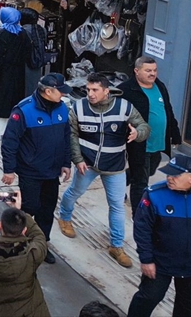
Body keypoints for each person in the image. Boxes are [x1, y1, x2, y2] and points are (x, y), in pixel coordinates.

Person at [58, 73, 150, 268]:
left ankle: (116, 245)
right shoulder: (79, 107)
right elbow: (71, 134)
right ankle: (64, 217)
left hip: (115, 166)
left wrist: (138, 133)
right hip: (88, 163)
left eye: (95, 90)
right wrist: (78, 159)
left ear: (106, 91)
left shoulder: (124, 107)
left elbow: (143, 126)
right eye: (88, 90)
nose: (90, 94)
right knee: (75, 191)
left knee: (116, 205)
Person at [128, 155, 191, 317]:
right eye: (168, 174)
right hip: (161, 262)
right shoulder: (155, 195)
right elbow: (142, 229)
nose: (169, 178)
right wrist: (146, 259)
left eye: (175, 175)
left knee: (189, 305)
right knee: (147, 299)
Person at [0, 73, 73, 265]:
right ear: (48, 91)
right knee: (29, 207)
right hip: (30, 171)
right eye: (60, 91)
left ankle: (42, 244)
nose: (64, 95)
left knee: (46, 210)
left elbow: (67, 138)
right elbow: (9, 141)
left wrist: (66, 163)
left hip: (52, 171)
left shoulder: (63, 109)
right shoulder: (23, 111)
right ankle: (16, 239)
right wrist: (9, 169)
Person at [119, 56, 182, 205]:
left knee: (150, 170)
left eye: (154, 70)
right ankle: (138, 213)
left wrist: (175, 133)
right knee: (140, 182)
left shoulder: (160, 86)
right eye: (148, 70)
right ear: (136, 71)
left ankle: (118, 184)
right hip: (139, 144)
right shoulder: (126, 90)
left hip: (157, 142)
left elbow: (168, 110)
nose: (152, 74)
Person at [0, 7, 30, 138]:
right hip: (18, 74)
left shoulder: (2, 34)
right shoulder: (23, 34)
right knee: (13, 103)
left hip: (3, 74)